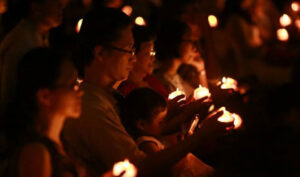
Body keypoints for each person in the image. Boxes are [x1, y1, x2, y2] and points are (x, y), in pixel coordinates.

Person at [62, 7, 232, 177]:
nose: (133, 58)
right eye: (128, 50)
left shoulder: (110, 96)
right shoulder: (91, 106)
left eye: (134, 51)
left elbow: (140, 132)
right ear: (100, 53)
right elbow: (140, 165)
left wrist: (183, 113)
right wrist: (200, 136)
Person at [2, 47, 85, 177]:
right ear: (45, 96)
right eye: (72, 85)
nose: (80, 92)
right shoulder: (35, 152)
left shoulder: (62, 144)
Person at [122, 88, 214, 177]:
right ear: (142, 124)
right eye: (160, 122)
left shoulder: (155, 136)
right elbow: (163, 167)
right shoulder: (147, 143)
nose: (165, 124)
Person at [0, 0, 63, 111]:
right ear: (36, 8)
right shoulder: (22, 41)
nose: (60, 7)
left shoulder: (40, 37)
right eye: (55, 2)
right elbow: (11, 90)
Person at [118, 25, 168, 98]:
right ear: (133, 55)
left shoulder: (151, 80)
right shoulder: (127, 92)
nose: (153, 58)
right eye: (148, 53)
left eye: (153, 52)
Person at [155, 19, 198, 97]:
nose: (194, 48)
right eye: (189, 40)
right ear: (176, 42)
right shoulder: (162, 82)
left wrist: (201, 70)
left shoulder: (175, 77)